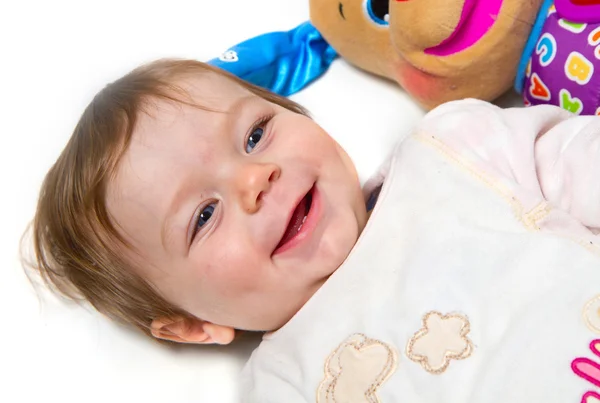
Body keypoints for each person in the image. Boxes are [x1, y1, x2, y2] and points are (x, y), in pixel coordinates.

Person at [27, 58, 600, 402]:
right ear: (193, 326)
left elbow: (578, 159)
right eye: (203, 216)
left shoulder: (451, 149)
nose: (255, 179)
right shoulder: (285, 385)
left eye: (255, 135)